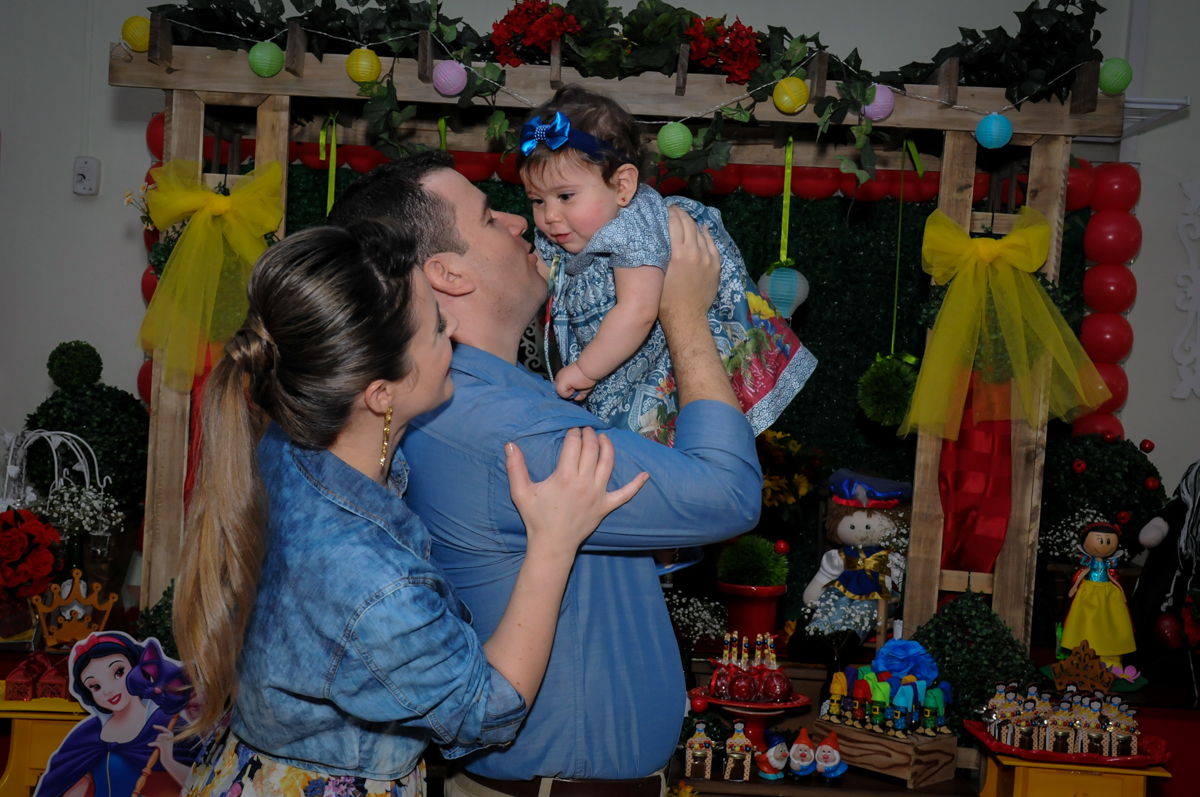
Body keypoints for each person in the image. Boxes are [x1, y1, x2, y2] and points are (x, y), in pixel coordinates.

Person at [328, 152, 763, 797]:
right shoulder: (505, 430)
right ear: (446, 273)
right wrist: (684, 316)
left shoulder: (488, 404)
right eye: (488, 216)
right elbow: (728, 494)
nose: (520, 222)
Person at [171, 220, 648, 797]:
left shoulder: (289, 443)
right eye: (435, 331)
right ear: (380, 394)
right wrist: (554, 540)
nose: (452, 332)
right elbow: (490, 708)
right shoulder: (373, 581)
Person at [518, 85, 817, 444]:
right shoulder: (570, 230)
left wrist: (583, 370)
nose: (549, 216)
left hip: (651, 358)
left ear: (623, 186)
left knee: (653, 428)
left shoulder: (634, 226)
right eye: (537, 200)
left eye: (565, 196)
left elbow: (638, 310)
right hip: (611, 355)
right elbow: (545, 275)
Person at [35, 633, 198, 797]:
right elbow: (66, 781)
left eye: (119, 672)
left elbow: (202, 783)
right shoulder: (87, 734)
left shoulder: (166, 725)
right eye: (95, 686)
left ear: (137, 667)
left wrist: (168, 760)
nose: (108, 690)